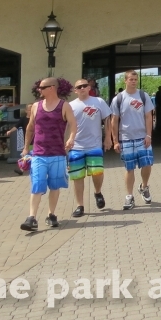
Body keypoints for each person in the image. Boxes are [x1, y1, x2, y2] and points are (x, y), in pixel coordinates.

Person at [20, 78, 77, 230]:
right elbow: (30, 127)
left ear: (52, 88)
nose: (39, 90)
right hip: (38, 153)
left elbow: (73, 124)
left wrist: (71, 138)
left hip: (57, 153)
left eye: (42, 87)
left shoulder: (64, 106)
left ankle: (51, 214)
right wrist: (26, 147)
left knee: (54, 185)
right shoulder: (36, 106)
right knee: (37, 184)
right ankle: (31, 218)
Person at [109, 70, 155, 211]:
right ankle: (129, 196)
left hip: (142, 137)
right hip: (126, 138)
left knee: (147, 165)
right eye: (131, 79)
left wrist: (148, 135)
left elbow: (149, 116)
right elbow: (114, 120)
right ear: (125, 81)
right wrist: (115, 140)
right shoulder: (119, 98)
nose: (134, 81)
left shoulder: (143, 96)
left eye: (135, 79)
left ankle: (144, 187)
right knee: (129, 168)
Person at [68, 78, 112, 217]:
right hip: (76, 146)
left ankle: (97, 192)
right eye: (79, 87)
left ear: (89, 87)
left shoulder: (98, 101)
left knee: (97, 173)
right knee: (77, 176)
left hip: (94, 145)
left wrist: (108, 138)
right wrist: (66, 144)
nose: (82, 88)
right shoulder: (70, 106)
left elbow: (107, 119)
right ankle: (80, 205)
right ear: (75, 90)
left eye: (84, 85)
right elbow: (66, 126)